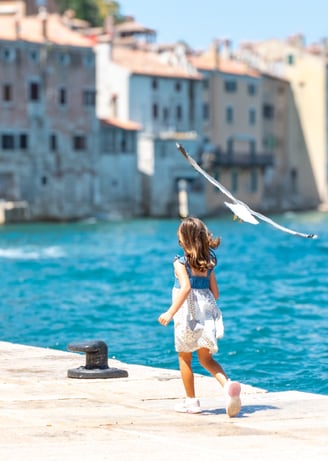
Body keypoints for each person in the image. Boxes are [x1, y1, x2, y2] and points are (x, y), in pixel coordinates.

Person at [158, 217, 241, 416]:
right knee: (206, 359)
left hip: (188, 314)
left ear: (184, 242)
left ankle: (191, 402)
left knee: (185, 357)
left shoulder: (180, 263)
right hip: (206, 312)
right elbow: (216, 294)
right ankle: (227, 386)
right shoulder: (209, 263)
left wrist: (170, 312)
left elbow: (185, 288)